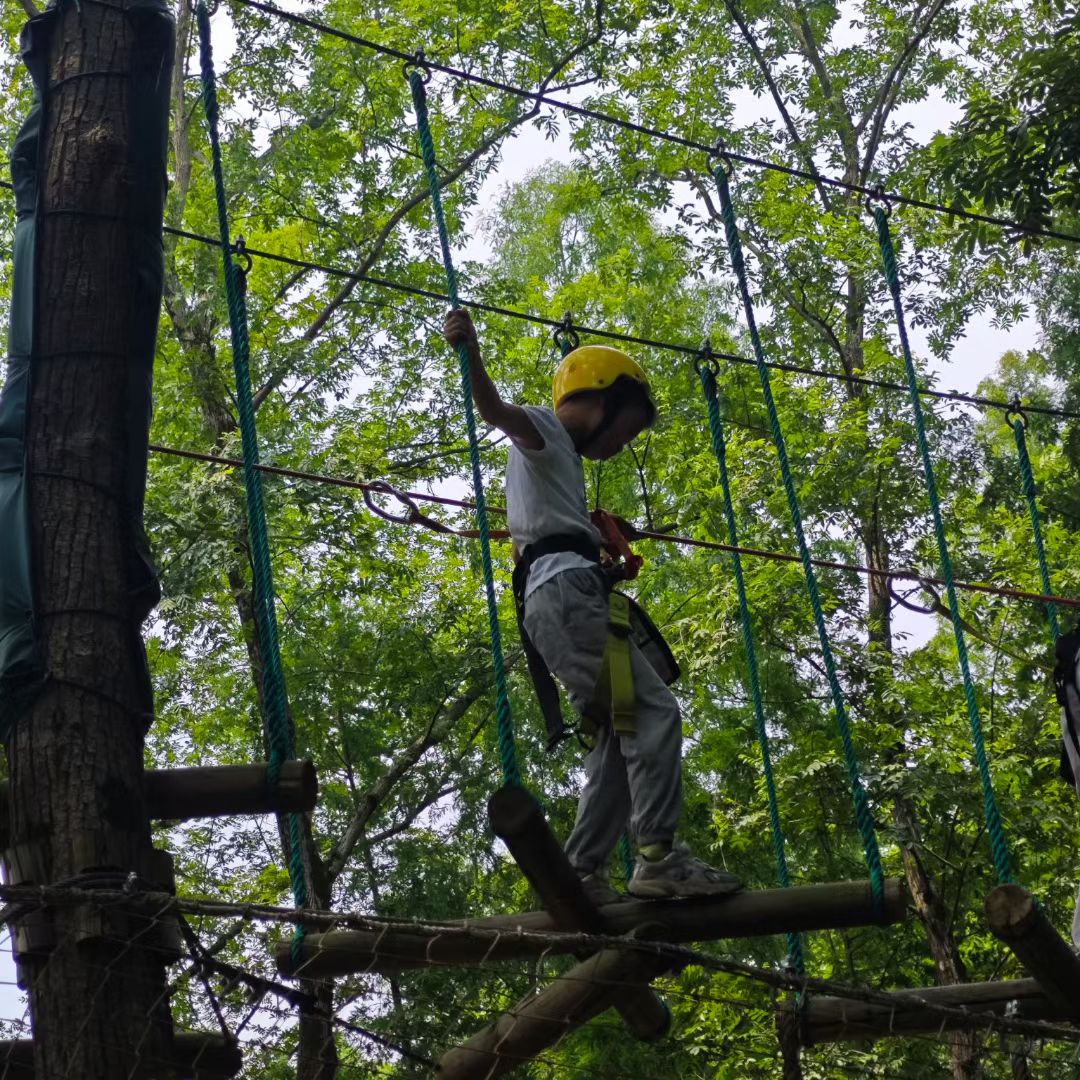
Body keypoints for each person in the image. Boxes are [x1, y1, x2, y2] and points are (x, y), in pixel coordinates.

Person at [444, 308, 742, 904]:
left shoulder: (560, 465)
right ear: (601, 395)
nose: (619, 443)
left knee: (620, 727)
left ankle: (583, 869)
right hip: (566, 595)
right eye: (623, 428)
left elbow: (551, 519)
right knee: (656, 713)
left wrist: (594, 530)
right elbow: (495, 413)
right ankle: (658, 856)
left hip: (561, 597)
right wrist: (469, 349)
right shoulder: (544, 428)